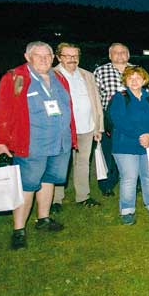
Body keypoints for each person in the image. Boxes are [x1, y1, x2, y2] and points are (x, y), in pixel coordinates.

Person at [0, 41, 75, 249]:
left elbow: (68, 108)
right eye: (38, 55)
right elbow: (3, 111)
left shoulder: (59, 78)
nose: (44, 59)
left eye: (48, 55)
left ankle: (43, 219)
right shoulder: (16, 78)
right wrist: (1, 142)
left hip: (59, 143)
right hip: (32, 144)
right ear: (27, 57)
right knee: (27, 186)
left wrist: (72, 137)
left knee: (49, 180)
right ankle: (19, 230)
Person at [109, 66, 149, 226]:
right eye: (130, 78)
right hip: (125, 144)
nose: (134, 81)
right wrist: (140, 135)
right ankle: (127, 210)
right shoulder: (120, 97)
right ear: (125, 80)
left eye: (138, 78)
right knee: (129, 177)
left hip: (148, 144)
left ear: (144, 80)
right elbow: (119, 120)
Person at [52, 42, 103, 211]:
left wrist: (98, 127)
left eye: (75, 56)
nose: (72, 59)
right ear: (59, 57)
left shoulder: (87, 75)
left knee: (83, 163)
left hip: (87, 127)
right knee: (61, 164)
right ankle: (55, 200)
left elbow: (96, 101)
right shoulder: (52, 75)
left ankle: (83, 196)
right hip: (63, 129)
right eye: (67, 56)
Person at [93, 42, 132, 197]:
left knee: (131, 151)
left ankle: (133, 182)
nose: (120, 55)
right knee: (108, 151)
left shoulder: (136, 70)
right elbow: (94, 97)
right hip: (109, 118)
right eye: (116, 52)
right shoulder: (100, 71)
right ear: (110, 55)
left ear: (128, 55)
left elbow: (147, 93)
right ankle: (107, 184)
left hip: (132, 118)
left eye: (123, 52)